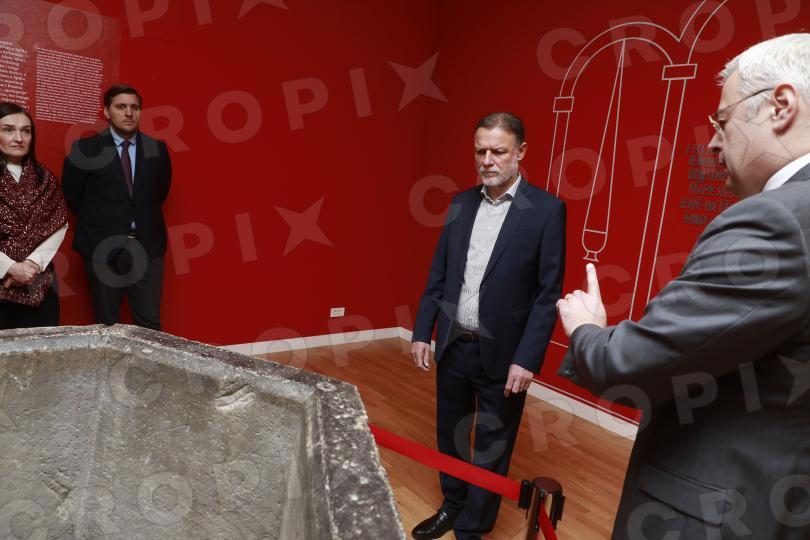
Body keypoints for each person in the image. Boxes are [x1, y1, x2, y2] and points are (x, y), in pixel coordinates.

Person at [556, 33, 810, 539]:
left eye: (723, 121)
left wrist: (587, 329)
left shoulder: (777, 222)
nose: (713, 142)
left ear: (781, 106)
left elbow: (628, 365)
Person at [410, 112, 566, 539]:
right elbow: (439, 273)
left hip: (506, 354)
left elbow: (547, 294)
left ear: (521, 152)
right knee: (451, 433)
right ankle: (452, 506)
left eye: (498, 151)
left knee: (492, 444)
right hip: (455, 343)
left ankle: (472, 528)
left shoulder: (547, 211)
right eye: (480, 150)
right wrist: (423, 331)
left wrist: (527, 359)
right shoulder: (460, 204)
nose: (487, 160)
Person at [62, 84, 172, 331]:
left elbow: (159, 193)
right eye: (121, 107)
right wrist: (107, 220)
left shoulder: (157, 150)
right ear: (107, 111)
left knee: (149, 324)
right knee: (106, 325)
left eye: (135, 107)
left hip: (147, 245)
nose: (129, 113)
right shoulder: (86, 149)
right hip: (102, 246)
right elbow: (73, 196)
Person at [0, 102, 67, 329]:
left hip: (39, 283)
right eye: (8, 130)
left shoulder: (45, 178)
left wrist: (32, 264)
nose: (18, 138)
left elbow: (59, 224)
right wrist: (9, 267)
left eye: (26, 131)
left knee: (42, 347)